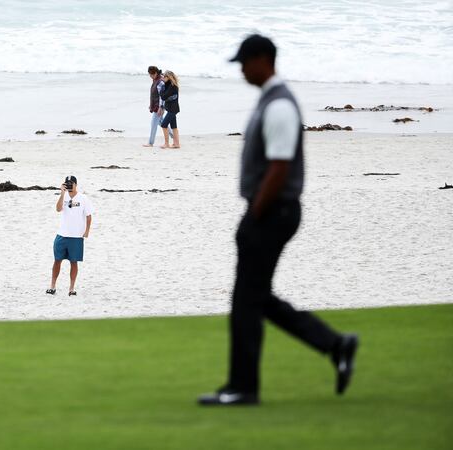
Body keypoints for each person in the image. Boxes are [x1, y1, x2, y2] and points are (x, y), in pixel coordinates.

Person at [198, 35, 358, 406]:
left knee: (245, 301)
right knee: (255, 297)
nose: (240, 70)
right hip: (271, 211)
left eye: (244, 62)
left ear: (262, 60)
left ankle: (243, 388)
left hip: (272, 211)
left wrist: (255, 213)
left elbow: (280, 167)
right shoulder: (271, 101)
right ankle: (335, 345)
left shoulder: (280, 105)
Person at [46, 176, 94, 296]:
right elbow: (58, 209)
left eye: (71, 183)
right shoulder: (64, 196)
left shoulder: (83, 198)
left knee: (74, 262)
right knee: (57, 261)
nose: (69, 186)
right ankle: (52, 286)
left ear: (76, 184)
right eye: (67, 183)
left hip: (76, 237)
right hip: (62, 235)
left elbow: (89, 216)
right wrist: (62, 194)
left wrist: (87, 231)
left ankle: (71, 289)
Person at [144, 66, 166, 147]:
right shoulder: (155, 79)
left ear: (156, 73)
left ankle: (150, 142)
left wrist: (161, 107)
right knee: (163, 123)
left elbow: (162, 96)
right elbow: (153, 94)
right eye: (149, 75)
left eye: (151, 75)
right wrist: (151, 105)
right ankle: (174, 136)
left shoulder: (160, 82)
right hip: (155, 106)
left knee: (153, 124)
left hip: (159, 107)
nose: (150, 76)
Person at [159, 70, 181, 149]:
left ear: (169, 77)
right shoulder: (168, 85)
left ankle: (166, 143)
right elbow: (165, 96)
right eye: (163, 76)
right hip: (172, 109)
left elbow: (163, 97)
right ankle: (176, 144)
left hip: (172, 109)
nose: (163, 78)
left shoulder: (172, 86)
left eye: (165, 76)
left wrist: (161, 89)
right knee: (174, 126)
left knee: (164, 125)